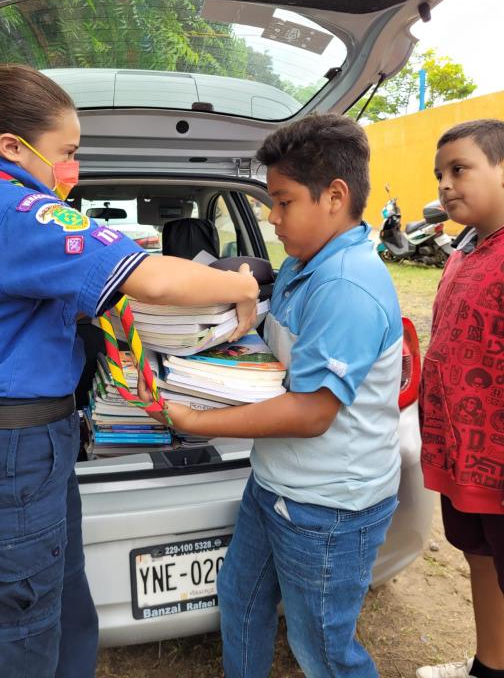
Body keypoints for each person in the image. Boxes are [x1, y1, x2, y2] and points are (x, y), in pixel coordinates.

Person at [0, 64, 259, 678]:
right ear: (12, 147)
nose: (73, 166)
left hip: (26, 449)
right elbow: (152, 278)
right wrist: (241, 284)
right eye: (67, 152)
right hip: (9, 456)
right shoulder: (18, 210)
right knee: (17, 643)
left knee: (62, 614)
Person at [141, 113, 404, 677]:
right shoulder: (305, 265)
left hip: (328, 508)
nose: (273, 217)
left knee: (324, 652)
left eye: (283, 203)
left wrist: (196, 420)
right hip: (275, 484)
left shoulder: (346, 286)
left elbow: (311, 413)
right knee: (241, 600)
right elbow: (275, 349)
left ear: (335, 197)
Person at [416, 120, 504, 678]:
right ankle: (489, 665)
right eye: (440, 174)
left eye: (460, 169)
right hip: (465, 457)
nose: (446, 184)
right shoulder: (463, 251)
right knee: (481, 559)